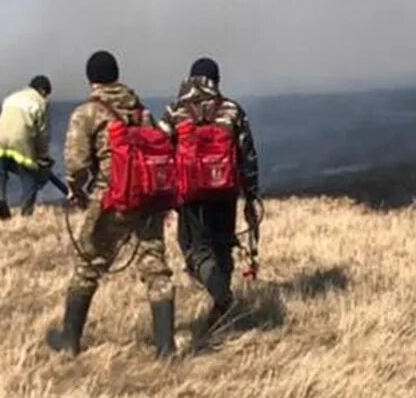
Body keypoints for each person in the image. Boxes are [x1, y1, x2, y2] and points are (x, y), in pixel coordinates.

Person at [49, 50, 176, 358]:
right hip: (147, 199)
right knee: (156, 268)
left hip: (112, 200)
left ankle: (69, 343)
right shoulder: (141, 110)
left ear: (91, 79)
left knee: (89, 266)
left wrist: (75, 191)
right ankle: (166, 347)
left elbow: (77, 163)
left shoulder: (88, 113)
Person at [163, 57, 261, 346]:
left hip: (190, 195)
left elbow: (161, 150)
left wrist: (167, 194)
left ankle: (223, 298)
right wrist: (251, 193)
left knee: (194, 250)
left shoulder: (176, 111)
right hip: (225, 190)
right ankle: (222, 306)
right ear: (216, 79)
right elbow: (247, 154)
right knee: (222, 245)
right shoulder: (231, 109)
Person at [0, 75, 55, 221]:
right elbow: (43, 133)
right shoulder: (41, 102)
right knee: (30, 178)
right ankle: (25, 214)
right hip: (20, 139)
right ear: (43, 90)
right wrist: (43, 157)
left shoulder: (11, 97)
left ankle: (0, 200)